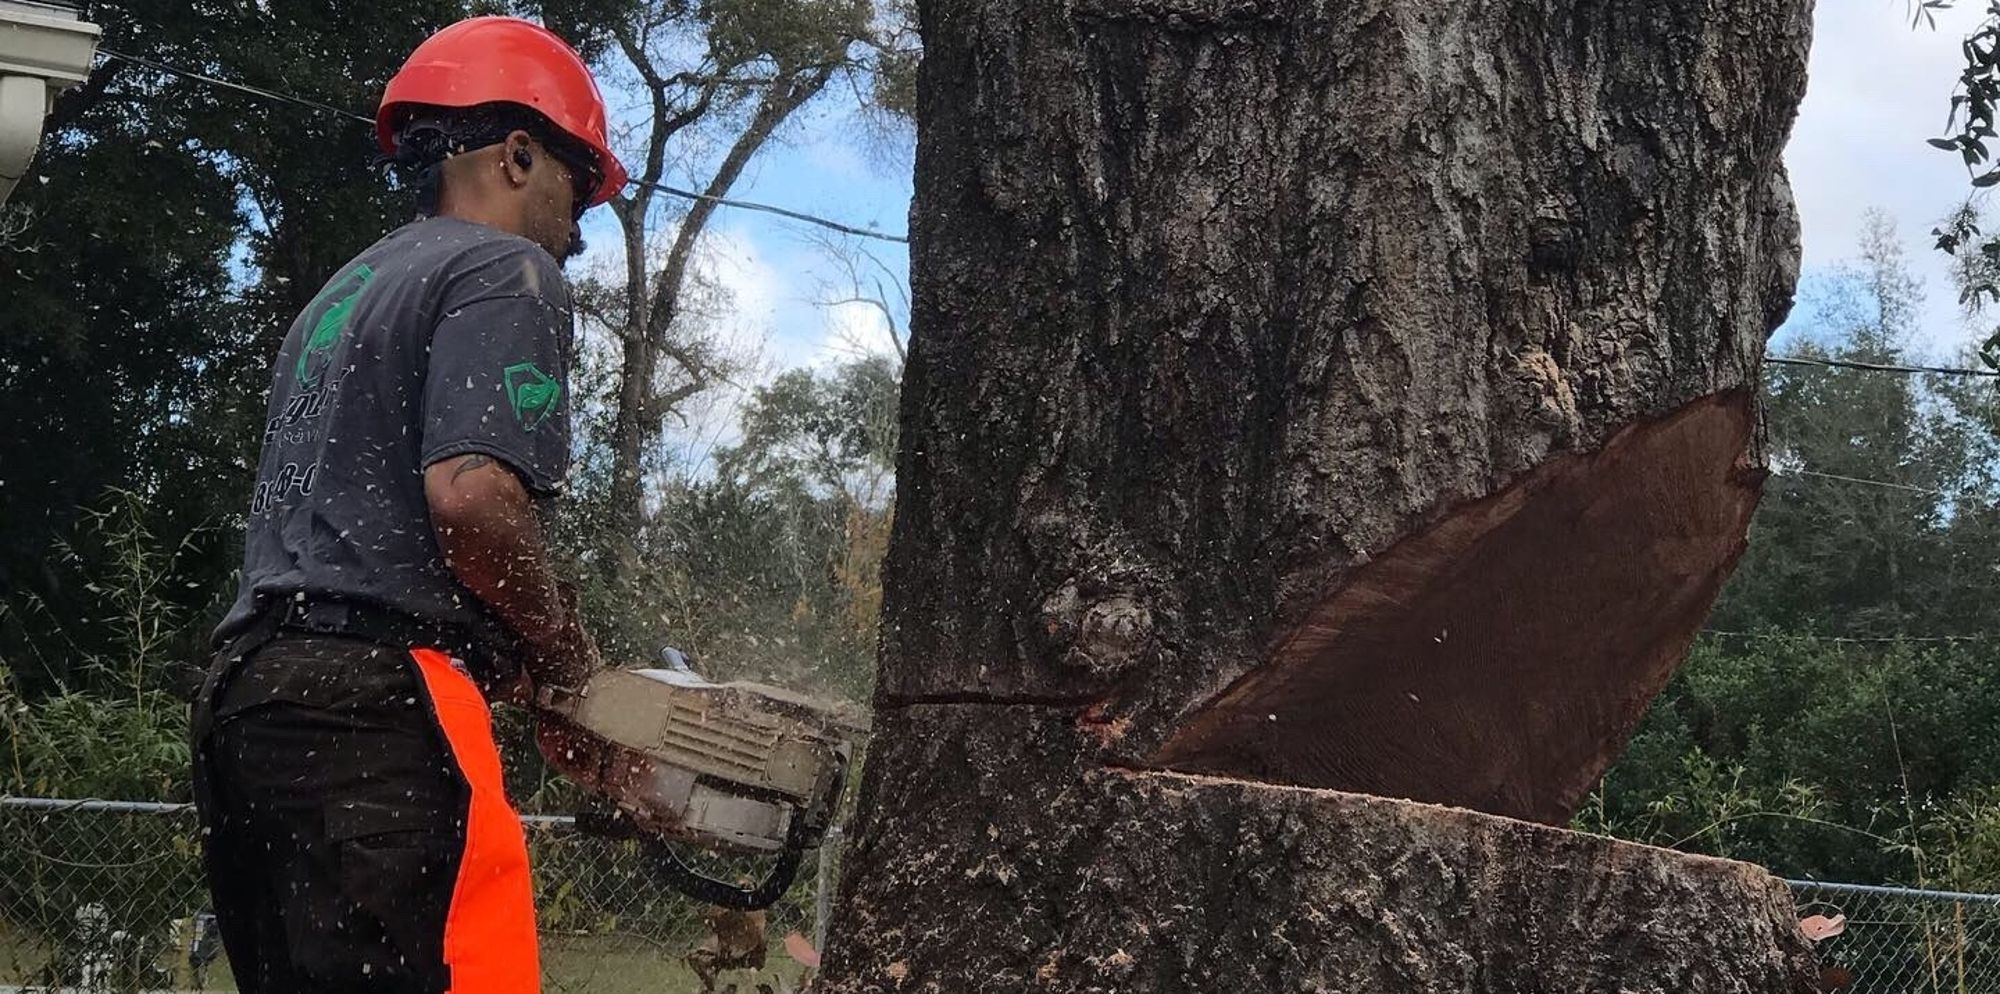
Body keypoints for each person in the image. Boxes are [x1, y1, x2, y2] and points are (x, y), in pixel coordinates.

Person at [189, 16, 629, 994]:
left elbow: (356, 539)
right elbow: (471, 504)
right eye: (575, 189)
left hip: (247, 704)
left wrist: (505, 656)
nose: (577, 228)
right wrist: (566, 659)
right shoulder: (505, 270)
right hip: (377, 709)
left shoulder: (341, 295)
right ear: (518, 154)